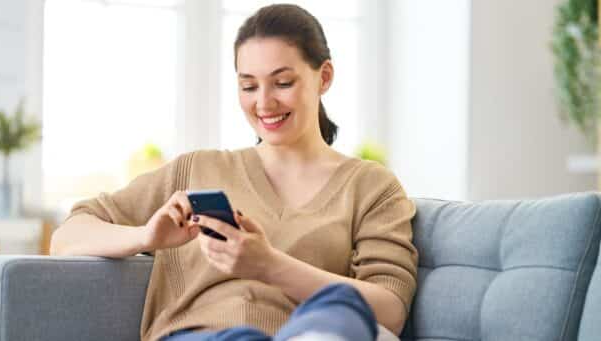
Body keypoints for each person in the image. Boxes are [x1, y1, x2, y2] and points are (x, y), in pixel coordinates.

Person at [50, 4, 418, 341]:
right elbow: (67, 236)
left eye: (283, 82)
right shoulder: (196, 169)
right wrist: (147, 236)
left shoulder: (372, 187)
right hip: (206, 335)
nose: (263, 102)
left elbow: (390, 309)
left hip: (307, 331)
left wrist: (269, 265)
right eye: (248, 86)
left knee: (342, 307)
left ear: (324, 77)